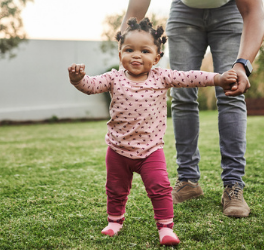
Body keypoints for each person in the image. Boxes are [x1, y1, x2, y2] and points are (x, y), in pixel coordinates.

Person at [68, 17, 238, 246]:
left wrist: (217, 78)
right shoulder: (113, 78)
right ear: (120, 55)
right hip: (118, 150)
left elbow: (190, 77)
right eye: (129, 49)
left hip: (150, 152)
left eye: (145, 51)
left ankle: (166, 228)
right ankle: (114, 221)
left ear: (156, 58)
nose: (136, 55)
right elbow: (91, 86)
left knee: (160, 188)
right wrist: (78, 80)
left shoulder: (162, 77)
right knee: (115, 189)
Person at [121, 0, 264, 218]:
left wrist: (242, 65)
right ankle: (188, 181)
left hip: (231, 11)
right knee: (182, 95)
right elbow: (134, 12)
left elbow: (253, 10)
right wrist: (125, 55)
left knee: (232, 91)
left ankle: (233, 185)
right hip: (184, 12)